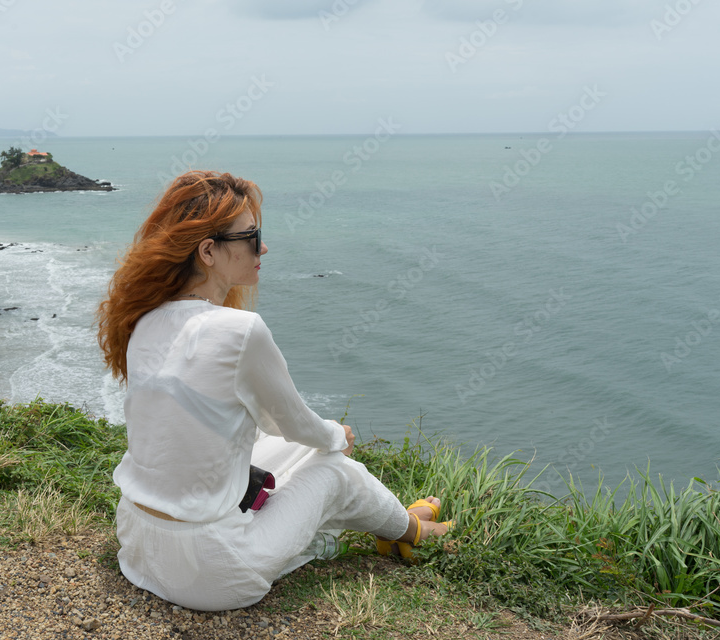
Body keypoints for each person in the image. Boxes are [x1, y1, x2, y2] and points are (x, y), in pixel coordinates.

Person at [97, 171, 453, 612]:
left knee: (279, 449)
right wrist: (338, 437)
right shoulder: (241, 329)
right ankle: (411, 531)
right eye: (251, 236)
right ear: (208, 251)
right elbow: (296, 423)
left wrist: (320, 438)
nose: (262, 247)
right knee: (334, 469)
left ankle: (390, 523)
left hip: (137, 548)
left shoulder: (145, 321)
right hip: (212, 574)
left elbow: (270, 429)